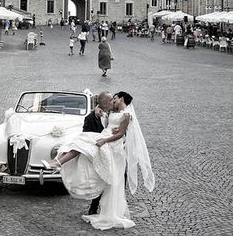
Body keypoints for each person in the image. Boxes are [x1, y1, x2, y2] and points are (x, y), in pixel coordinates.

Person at [42, 92, 155, 230]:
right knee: (80, 143)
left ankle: (58, 163)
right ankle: (58, 162)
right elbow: (104, 107)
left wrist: (104, 140)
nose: (113, 100)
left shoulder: (127, 115)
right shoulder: (112, 111)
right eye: (112, 99)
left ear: (121, 99)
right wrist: (96, 109)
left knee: (110, 176)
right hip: (103, 140)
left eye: (115, 98)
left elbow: (120, 134)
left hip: (112, 146)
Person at [82, 92, 114, 216]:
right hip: (102, 154)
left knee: (120, 179)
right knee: (101, 179)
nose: (114, 101)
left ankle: (115, 207)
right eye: (111, 99)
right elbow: (86, 137)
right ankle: (94, 207)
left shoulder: (114, 112)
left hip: (116, 152)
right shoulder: (90, 118)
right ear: (105, 103)